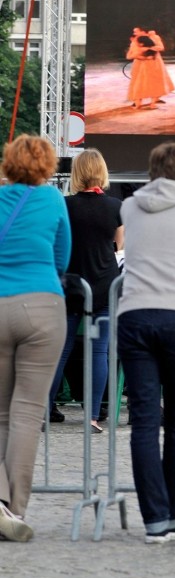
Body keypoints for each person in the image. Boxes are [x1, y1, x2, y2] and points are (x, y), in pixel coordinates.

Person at [117, 142, 175, 544]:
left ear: (150, 173)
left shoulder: (129, 208)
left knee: (143, 422)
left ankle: (153, 519)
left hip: (133, 313)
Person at [0, 134, 71, 541]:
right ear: (46, 166)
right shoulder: (53, 201)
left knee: (0, 413)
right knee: (28, 412)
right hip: (42, 305)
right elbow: (62, 257)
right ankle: (14, 508)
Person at [48, 149, 124, 433]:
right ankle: (93, 415)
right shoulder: (117, 207)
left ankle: (45, 409)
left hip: (70, 285)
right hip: (104, 285)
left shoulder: (63, 205)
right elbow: (120, 249)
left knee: (60, 350)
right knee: (100, 351)